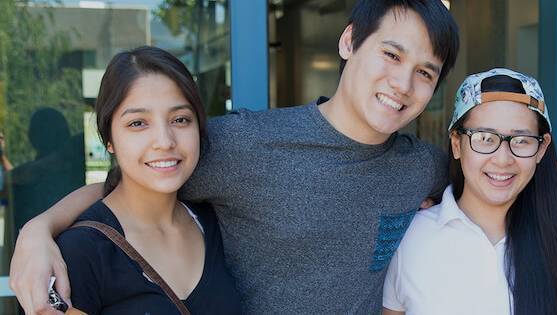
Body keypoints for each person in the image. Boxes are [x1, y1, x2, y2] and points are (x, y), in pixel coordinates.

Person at [9, 1, 460, 314]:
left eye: (425, 73)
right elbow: (130, 184)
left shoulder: (422, 167)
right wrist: (38, 230)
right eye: (390, 54)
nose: (402, 83)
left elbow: (492, 182)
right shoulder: (243, 144)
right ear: (349, 42)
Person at [53, 46, 241, 314]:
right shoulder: (80, 252)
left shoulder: (216, 221)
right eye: (138, 123)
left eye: (180, 119)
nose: (165, 141)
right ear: (110, 141)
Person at [381, 68, 557, 315]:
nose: (503, 160)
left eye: (521, 141)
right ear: (456, 143)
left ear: (541, 148)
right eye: (484, 138)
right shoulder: (409, 236)